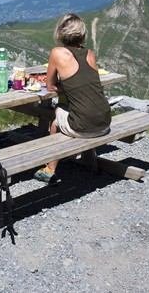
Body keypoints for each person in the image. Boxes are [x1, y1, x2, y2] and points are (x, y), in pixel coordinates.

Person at [34, 13, 111, 183]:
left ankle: (50, 168)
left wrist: (64, 87)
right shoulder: (89, 54)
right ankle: (67, 157)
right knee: (75, 109)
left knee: (56, 117)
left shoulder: (57, 52)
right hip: (105, 123)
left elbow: (51, 86)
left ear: (61, 33)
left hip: (85, 127)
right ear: (82, 34)